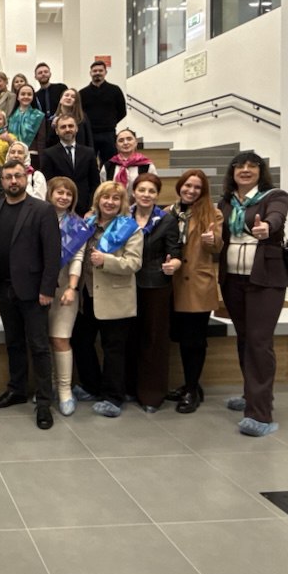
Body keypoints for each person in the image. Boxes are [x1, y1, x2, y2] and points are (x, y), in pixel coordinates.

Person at [217, 150, 288, 437]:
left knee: (259, 342)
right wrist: (212, 239)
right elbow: (219, 234)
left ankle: (261, 413)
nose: (245, 170)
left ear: (261, 171)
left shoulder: (275, 196)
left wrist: (267, 227)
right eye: (240, 166)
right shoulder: (226, 202)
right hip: (232, 279)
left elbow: (276, 218)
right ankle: (251, 394)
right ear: (232, 171)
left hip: (265, 280)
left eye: (252, 166)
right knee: (245, 338)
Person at [0, 161, 61, 429]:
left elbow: (52, 252)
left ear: (25, 178)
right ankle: (17, 389)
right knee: (14, 343)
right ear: (2, 181)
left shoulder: (42, 209)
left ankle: (44, 402)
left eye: (17, 176)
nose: (13, 181)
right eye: (8, 177)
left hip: (33, 291)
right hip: (5, 289)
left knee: (39, 346)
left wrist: (47, 289)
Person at [71, 182, 143, 418]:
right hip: (86, 295)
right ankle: (91, 386)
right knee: (82, 341)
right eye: (106, 197)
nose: (110, 202)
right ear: (98, 200)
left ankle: (113, 397)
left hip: (115, 297)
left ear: (122, 203)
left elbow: (134, 263)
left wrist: (107, 261)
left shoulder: (130, 228)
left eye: (115, 198)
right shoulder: (87, 225)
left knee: (113, 349)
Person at [164, 169, 224, 414]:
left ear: (203, 191)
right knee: (179, 336)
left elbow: (217, 245)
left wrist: (212, 240)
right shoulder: (169, 212)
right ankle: (191, 385)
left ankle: (191, 390)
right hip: (172, 284)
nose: (191, 190)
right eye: (188, 185)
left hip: (197, 285)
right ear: (180, 186)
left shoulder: (212, 213)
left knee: (194, 340)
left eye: (197, 187)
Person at [125, 174, 183, 412]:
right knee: (129, 337)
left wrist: (173, 265)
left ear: (157, 195)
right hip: (126, 284)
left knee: (154, 339)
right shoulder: (124, 217)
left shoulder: (166, 220)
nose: (146, 195)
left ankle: (152, 394)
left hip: (155, 286)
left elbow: (175, 253)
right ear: (134, 192)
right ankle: (129, 387)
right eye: (142, 190)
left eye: (151, 191)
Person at [45, 178, 90, 416]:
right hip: (38, 289)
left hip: (64, 289)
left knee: (60, 338)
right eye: (59, 192)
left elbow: (78, 259)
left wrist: (72, 287)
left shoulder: (78, 225)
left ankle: (64, 390)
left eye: (68, 194)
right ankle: (48, 387)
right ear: (50, 194)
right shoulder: (38, 218)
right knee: (42, 340)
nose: (63, 197)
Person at [38, 114, 100, 216]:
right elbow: (48, 184)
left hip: (85, 210)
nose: (67, 129)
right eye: (63, 127)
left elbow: (95, 184)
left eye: (70, 126)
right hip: (58, 210)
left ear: (76, 128)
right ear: (57, 131)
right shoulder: (49, 154)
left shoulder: (88, 153)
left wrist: (92, 208)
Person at [79, 57, 128, 163]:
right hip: (89, 134)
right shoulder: (82, 93)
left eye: (100, 70)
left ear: (105, 72)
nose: (97, 73)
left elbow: (122, 111)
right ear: (90, 73)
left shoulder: (115, 90)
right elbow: (79, 113)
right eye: (95, 71)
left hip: (108, 133)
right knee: (88, 162)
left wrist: (110, 122)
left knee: (110, 163)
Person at [104, 128, 156, 194]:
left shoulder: (147, 165)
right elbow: (103, 189)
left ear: (136, 142)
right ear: (116, 145)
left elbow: (153, 188)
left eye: (129, 139)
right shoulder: (108, 166)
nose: (125, 143)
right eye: (121, 140)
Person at [8, 83, 46, 154]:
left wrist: (42, 158)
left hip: (32, 153)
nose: (26, 96)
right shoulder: (10, 116)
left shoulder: (39, 116)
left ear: (33, 97)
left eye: (29, 94)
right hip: (13, 153)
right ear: (18, 97)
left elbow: (41, 140)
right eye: (23, 94)